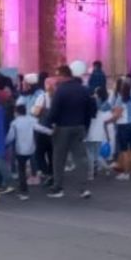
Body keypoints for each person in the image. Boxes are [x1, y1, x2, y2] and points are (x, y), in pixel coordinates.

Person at [47, 61, 95, 199]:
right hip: (79, 126)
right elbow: (90, 109)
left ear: (63, 75)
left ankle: (58, 188)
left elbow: (54, 111)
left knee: (59, 158)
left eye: (57, 76)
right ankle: (83, 188)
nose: (56, 79)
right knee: (80, 158)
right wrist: (85, 125)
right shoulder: (83, 89)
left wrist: (49, 123)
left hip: (62, 127)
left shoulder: (60, 90)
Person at [8, 103, 50, 200]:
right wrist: (51, 131)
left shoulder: (14, 123)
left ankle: (24, 191)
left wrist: (3, 143)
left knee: (21, 170)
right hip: (31, 148)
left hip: (20, 150)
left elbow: (10, 137)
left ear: (16, 112)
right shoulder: (32, 120)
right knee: (33, 162)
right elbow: (41, 129)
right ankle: (34, 176)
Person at [110, 78, 131, 181]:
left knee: (124, 150)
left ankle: (126, 173)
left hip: (123, 125)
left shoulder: (120, 99)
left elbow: (117, 114)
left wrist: (110, 120)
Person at [85, 87, 114, 180]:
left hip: (90, 132)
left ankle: (91, 174)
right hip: (99, 132)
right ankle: (106, 168)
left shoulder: (90, 106)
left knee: (89, 153)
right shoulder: (105, 106)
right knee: (97, 154)